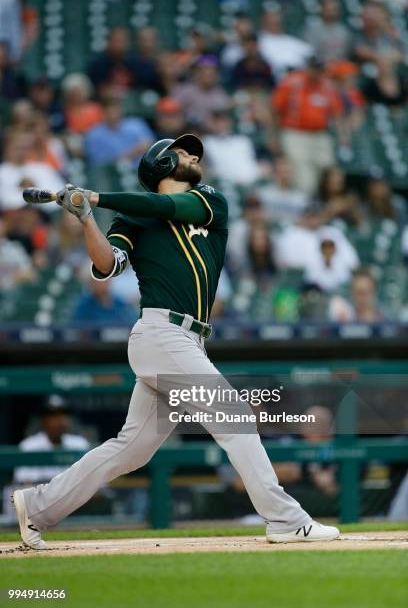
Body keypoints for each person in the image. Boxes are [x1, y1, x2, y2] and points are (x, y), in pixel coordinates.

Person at [14, 133, 339, 549]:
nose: (190, 155)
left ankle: (36, 506)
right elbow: (107, 265)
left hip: (188, 340)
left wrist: (95, 196)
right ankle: (285, 520)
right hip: (161, 333)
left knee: (131, 449)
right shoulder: (133, 219)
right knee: (234, 416)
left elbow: (166, 206)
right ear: (161, 166)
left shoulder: (209, 200)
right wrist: (85, 218)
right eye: (180, 153)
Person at [272, 55, 343, 194]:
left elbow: (337, 113)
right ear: (308, 68)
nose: (318, 73)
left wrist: (342, 135)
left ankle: (322, 204)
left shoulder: (327, 86)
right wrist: (273, 136)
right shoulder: (292, 83)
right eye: (316, 69)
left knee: (327, 169)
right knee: (303, 174)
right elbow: (275, 109)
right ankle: (305, 205)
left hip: (320, 134)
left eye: (321, 70)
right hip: (295, 133)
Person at [14, 396, 89, 485]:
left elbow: (92, 483)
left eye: (63, 414)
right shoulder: (29, 446)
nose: (60, 420)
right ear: (43, 420)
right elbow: (26, 484)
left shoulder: (80, 444)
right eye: (53, 416)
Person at [84, 98, 154, 167]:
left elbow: (152, 146)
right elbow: (98, 164)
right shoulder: (94, 135)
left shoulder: (136, 124)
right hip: (112, 175)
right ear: (103, 113)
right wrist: (132, 153)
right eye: (109, 111)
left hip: (143, 170)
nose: (113, 114)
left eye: (115, 109)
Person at [204, 109, 260, 185]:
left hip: (252, 181)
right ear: (211, 123)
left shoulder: (243, 140)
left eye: (223, 121)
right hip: (226, 184)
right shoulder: (207, 142)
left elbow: (252, 162)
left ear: (229, 122)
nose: (220, 125)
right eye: (217, 122)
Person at [172, 55, 230, 130]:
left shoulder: (221, 94)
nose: (207, 73)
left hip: (211, 135)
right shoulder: (185, 90)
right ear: (196, 72)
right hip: (187, 132)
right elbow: (173, 113)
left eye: (211, 72)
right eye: (203, 71)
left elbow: (223, 120)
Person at [258, 2, 312, 79]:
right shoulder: (259, 42)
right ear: (263, 19)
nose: (275, 20)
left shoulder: (290, 41)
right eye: (271, 16)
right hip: (275, 82)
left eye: (277, 15)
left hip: (301, 80)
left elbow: (311, 54)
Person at [255, 154, 308, 224]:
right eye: (282, 171)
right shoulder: (263, 194)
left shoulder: (301, 197)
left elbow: (305, 220)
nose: (285, 175)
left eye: (287, 171)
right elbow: (257, 217)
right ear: (275, 172)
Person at [72, 272, 138, 325]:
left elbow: (132, 322)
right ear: (91, 283)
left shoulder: (120, 303)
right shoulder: (84, 306)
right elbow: (77, 328)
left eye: (103, 280)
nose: (99, 284)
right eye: (96, 281)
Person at [303, 0, 351, 64]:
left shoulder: (344, 31)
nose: (331, 11)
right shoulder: (313, 30)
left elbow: (347, 53)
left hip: (340, 66)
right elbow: (310, 52)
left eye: (334, 9)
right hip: (319, 66)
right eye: (329, 8)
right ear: (322, 9)